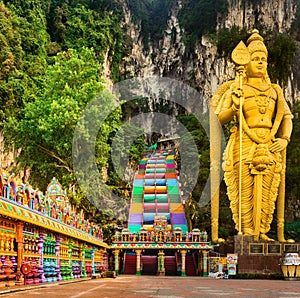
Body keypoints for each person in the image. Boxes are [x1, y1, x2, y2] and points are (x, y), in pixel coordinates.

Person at [211, 29, 293, 241]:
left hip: (270, 142)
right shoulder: (237, 88)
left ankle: (263, 230)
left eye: (263, 59)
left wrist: (284, 139)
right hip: (244, 142)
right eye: (255, 58)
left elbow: (287, 118)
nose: (260, 63)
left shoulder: (275, 90)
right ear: (244, 63)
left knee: (269, 190)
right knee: (243, 190)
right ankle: (247, 231)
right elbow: (218, 118)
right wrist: (234, 108)